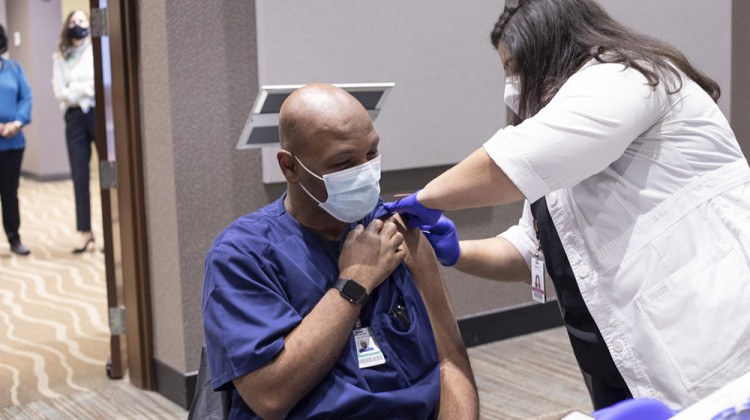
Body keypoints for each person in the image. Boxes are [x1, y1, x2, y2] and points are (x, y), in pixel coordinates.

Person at [385, 0, 750, 411]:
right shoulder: (563, 133)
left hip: (703, 328)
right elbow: (531, 252)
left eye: (514, 68)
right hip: (620, 353)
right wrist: (454, 252)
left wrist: (421, 198)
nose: (511, 84)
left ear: (549, 49)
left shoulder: (627, 78)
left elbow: (516, 162)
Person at [202, 84, 478, 420]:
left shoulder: (398, 229)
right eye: (344, 162)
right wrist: (355, 281)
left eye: (372, 154)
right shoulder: (242, 255)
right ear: (290, 167)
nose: (365, 172)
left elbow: (451, 361)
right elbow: (269, 397)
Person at [52, 9, 96, 254]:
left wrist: (75, 87)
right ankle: (85, 232)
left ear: (89, 24)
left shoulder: (97, 50)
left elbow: (100, 84)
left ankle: (114, 228)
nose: (77, 24)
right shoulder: (60, 56)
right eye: (73, 21)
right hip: (74, 120)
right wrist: (84, 88)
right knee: (80, 177)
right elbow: (60, 92)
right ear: (67, 26)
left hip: (98, 115)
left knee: (109, 173)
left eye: (82, 20)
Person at [0, 24, 32, 256]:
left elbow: (26, 96)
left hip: (13, 143)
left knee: (10, 193)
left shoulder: (14, 69)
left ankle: (14, 238)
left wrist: (17, 123)